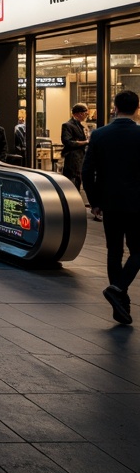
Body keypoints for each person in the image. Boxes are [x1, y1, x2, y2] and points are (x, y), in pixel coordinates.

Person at [82, 89, 140, 325]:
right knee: (138, 250)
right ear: (137, 109)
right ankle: (118, 288)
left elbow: (87, 171)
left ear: (114, 108)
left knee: (114, 251)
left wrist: (95, 201)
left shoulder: (100, 134)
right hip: (138, 205)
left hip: (110, 203)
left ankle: (120, 305)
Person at [60, 103, 90, 192]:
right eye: (86, 113)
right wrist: (85, 142)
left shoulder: (81, 125)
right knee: (73, 180)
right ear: (79, 113)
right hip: (73, 157)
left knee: (78, 179)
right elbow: (67, 142)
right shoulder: (68, 125)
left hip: (80, 156)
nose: (86, 116)